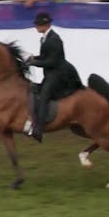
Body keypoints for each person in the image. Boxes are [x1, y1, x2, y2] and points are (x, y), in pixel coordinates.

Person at [26, 11, 83, 142]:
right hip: (51, 73)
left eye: (38, 24)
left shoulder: (55, 39)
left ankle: (39, 129)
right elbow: (46, 56)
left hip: (58, 74)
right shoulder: (45, 38)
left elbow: (52, 62)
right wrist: (33, 57)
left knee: (45, 95)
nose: (36, 26)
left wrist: (34, 62)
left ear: (45, 25)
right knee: (34, 89)